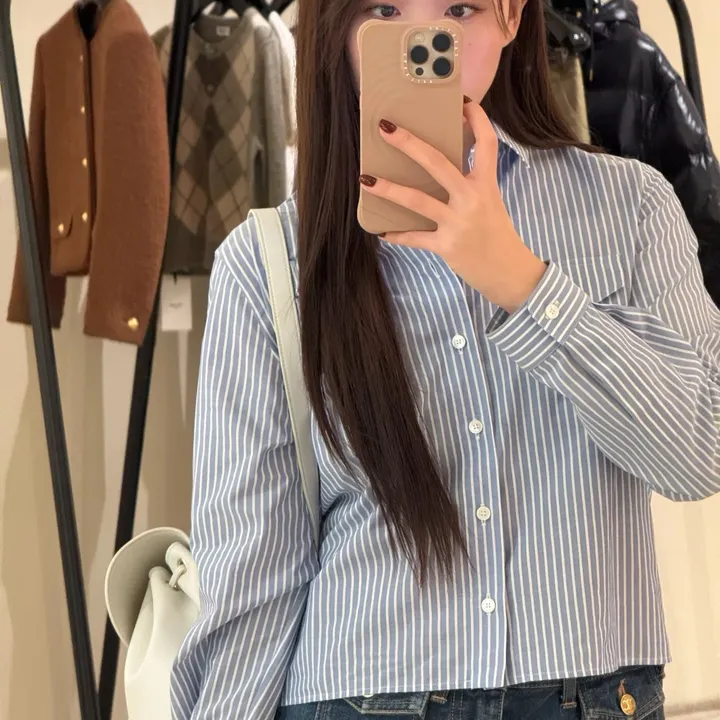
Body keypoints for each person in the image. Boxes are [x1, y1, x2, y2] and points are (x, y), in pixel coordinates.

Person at [171, 1, 720, 719]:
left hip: (588, 696)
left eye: (460, 9)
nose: (426, 40)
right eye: (385, 11)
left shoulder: (631, 209)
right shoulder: (267, 263)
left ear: (513, 15)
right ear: (337, 31)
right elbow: (251, 573)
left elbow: (698, 454)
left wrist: (523, 284)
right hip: (357, 698)